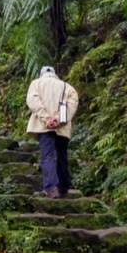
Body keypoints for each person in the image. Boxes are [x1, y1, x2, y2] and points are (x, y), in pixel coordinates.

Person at [26, 65, 79, 198]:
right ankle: (64, 186)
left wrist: (47, 118)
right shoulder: (67, 87)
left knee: (47, 156)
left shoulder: (36, 84)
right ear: (55, 74)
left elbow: (33, 101)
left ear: (41, 74)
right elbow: (72, 104)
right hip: (62, 128)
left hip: (44, 127)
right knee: (62, 155)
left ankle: (51, 188)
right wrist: (58, 119)